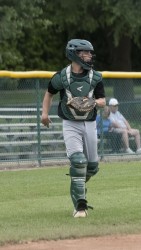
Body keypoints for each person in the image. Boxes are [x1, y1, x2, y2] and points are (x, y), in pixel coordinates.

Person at [41, 39, 106, 218]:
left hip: (90, 123)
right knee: (78, 161)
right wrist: (44, 114)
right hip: (70, 124)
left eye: (90, 53)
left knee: (91, 167)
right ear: (73, 54)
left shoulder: (95, 77)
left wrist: (93, 102)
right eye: (85, 53)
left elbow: (103, 101)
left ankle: (77, 182)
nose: (89, 56)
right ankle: (80, 206)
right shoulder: (62, 77)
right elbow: (49, 94)